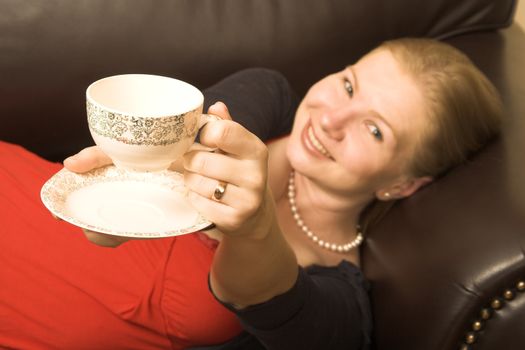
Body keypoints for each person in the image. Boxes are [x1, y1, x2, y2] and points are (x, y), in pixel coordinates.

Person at [0, 38, 502, 349]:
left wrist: (257, 225)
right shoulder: (267, 97)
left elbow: (269, 297)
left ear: (401, 184)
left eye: (375, 130)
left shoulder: (341, 301)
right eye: (349, 86)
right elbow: (186, 137)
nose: (331, 118)